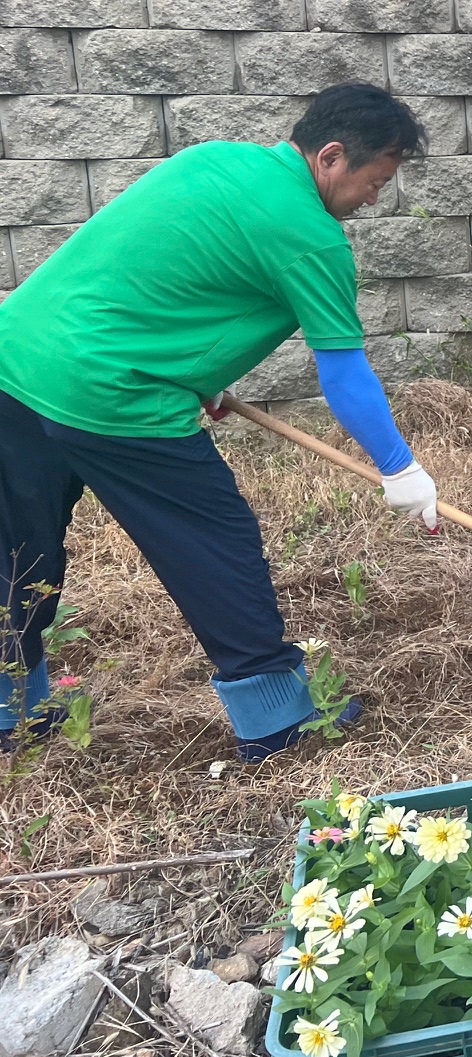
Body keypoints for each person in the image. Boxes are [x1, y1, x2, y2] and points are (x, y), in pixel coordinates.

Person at [0, 83, 441, 761]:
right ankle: (277, 721)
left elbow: (158, 272)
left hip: (17, 359)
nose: (374, 199)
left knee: (18, 547)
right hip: (110, 391)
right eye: (375, 181)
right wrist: (398, 466)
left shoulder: (213, 160)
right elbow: (344, 372)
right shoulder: (310, 237)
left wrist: (199, 373)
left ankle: (11, 707)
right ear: (330, 157)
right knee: (212, 542)